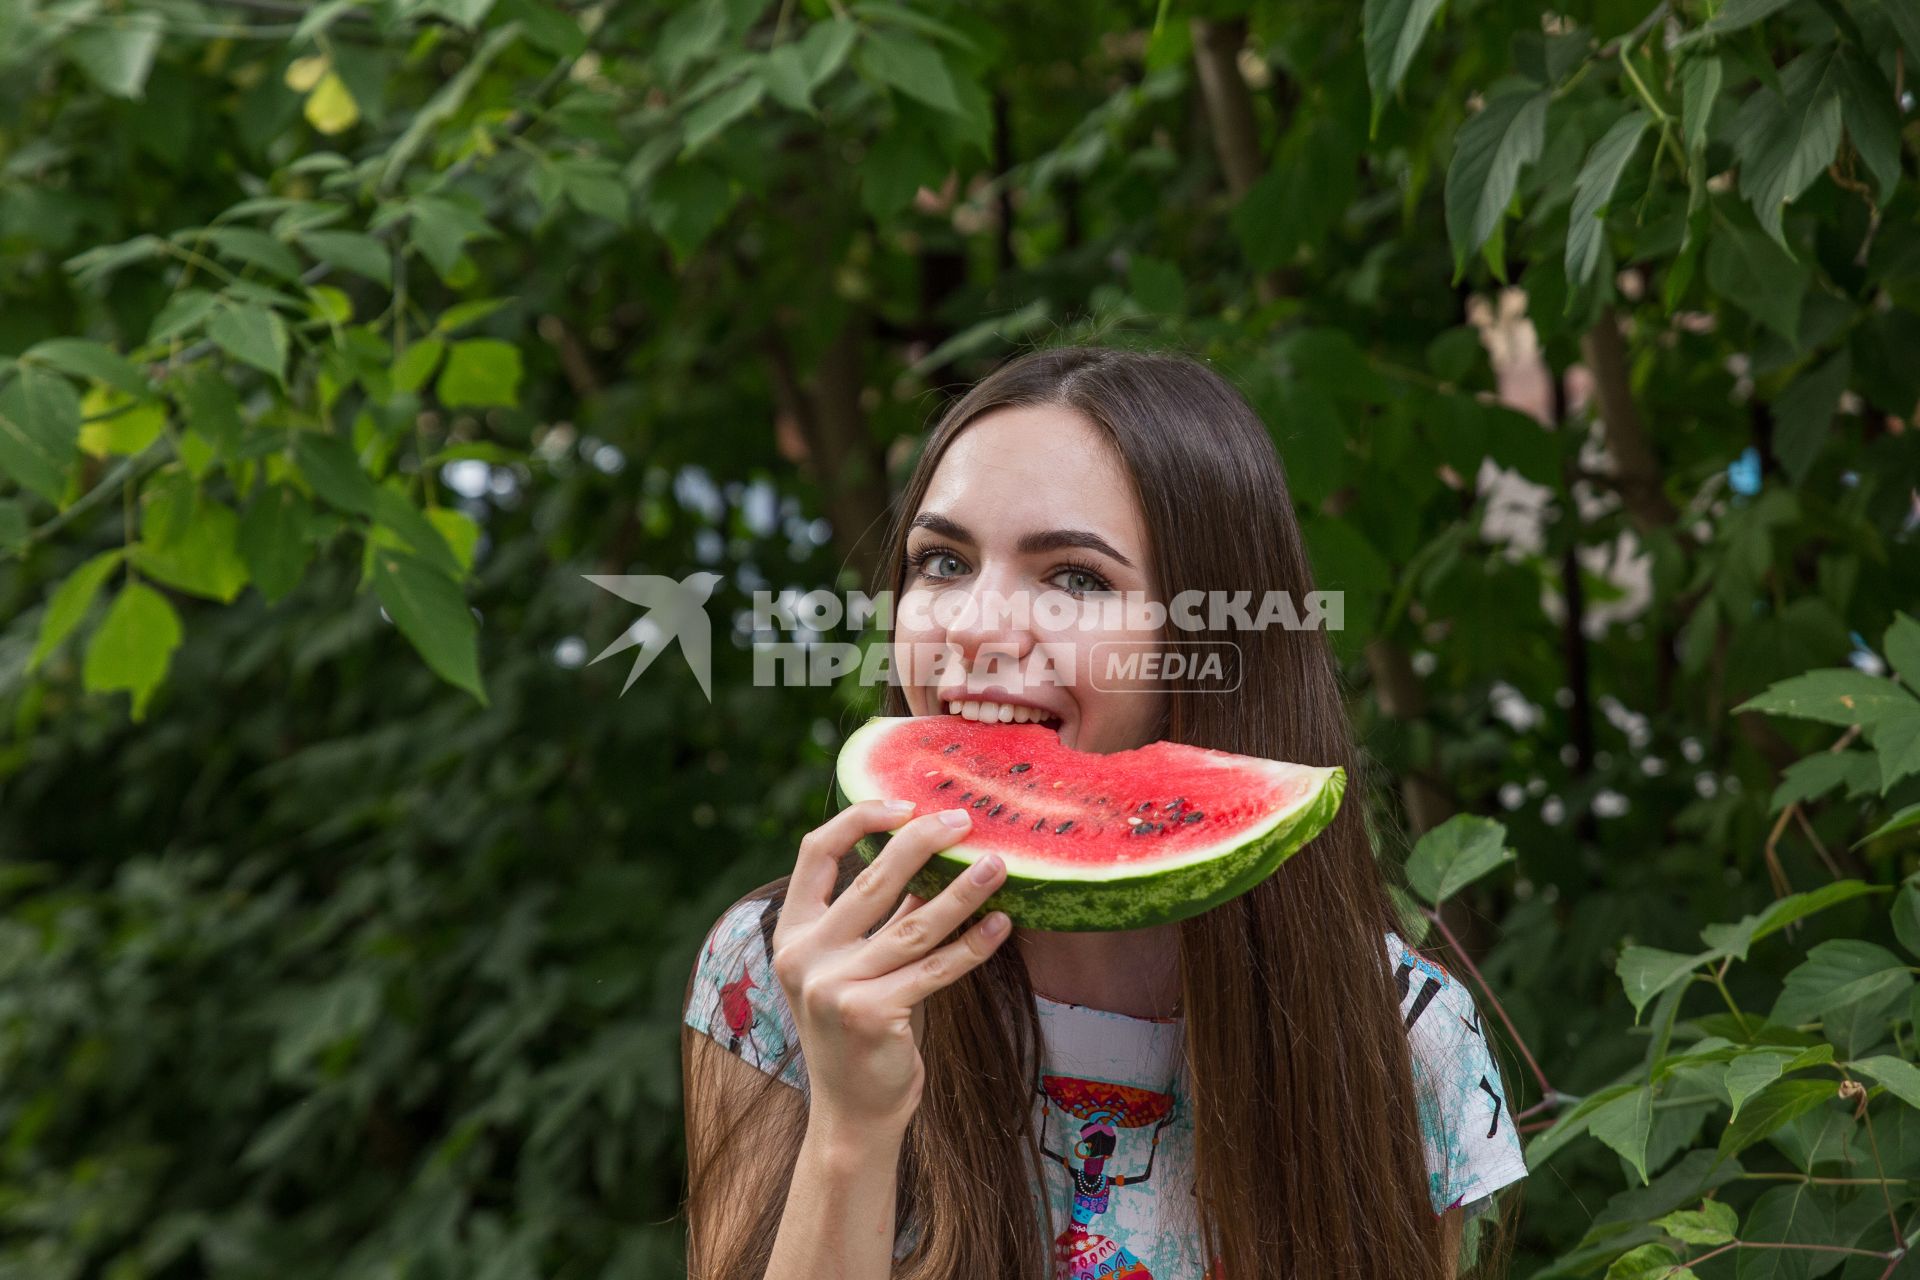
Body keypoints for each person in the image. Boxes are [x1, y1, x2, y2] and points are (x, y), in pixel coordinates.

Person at [680, 344, 1529, 1279]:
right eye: (942, 561)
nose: (969, 627)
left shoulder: (1402, 1040)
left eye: (1075, 578)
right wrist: (852, 1126)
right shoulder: (778, 980)